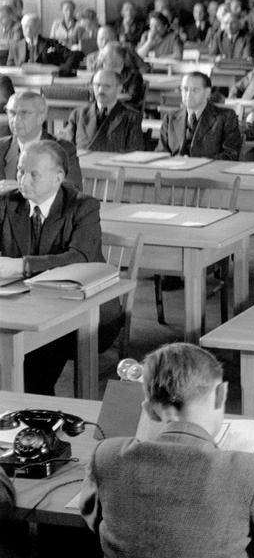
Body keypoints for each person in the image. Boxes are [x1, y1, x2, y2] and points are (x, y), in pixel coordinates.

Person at [79, 342, 254, 557]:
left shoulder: (106, 456)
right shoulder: (251, 472)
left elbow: (93, 519)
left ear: (149, 410)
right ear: (222, 394)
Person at [0, 140, 122, 394]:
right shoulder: (6, 203)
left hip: (84, 310)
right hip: (24, 306)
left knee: (35, 366)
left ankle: (38, 419)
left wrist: (22, 266)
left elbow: (80, 258)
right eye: (21, 171)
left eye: (33, 174)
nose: (23, 180)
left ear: (58, 177)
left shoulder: (83, 206)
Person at [1, 91, 82, 188]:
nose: (16, 120)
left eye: (24, 113)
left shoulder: (62, 149)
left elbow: (72, 190)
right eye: (12, 113)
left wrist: (22, 188)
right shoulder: (2, 147)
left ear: (41, 117)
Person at [158, 72, 242, 160]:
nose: (188, 94)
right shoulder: (170, 118)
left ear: (207, 92)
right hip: (173, 170)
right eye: (185, 89)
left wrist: (196, 162)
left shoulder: (225, 117)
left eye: (195, 90)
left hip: (207, 171)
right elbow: (160, 153)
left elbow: (230, 154)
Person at [64, 71, 145, 153]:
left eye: (107, 86)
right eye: (97, 85)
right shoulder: (78, 115)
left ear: (119, 88)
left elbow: (135, 154)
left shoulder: (131, 118)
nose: (101, 90)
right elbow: (65, 150)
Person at [6, 14, 80, 72]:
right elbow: (10, 68)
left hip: (47, 81)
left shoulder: (51, 43)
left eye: (31, 26)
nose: (28, 30)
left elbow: (72, 55)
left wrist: (61, 71)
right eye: (25, 27)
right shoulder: (15, 46)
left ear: (38, 28)